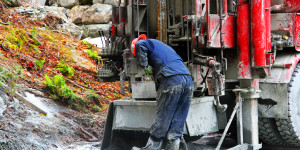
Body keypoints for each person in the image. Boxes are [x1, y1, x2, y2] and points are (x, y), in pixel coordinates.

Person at [131, 34, 194, 150]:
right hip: (188, 81)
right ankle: (174, 146)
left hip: (172, 80)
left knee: (164, 114)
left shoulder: (143, 42)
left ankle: (152, 147)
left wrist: (145, 66)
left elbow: (140, 45)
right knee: (178, 119)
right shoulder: (162, 48)